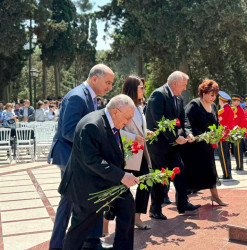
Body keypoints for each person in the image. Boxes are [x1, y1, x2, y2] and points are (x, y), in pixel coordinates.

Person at [47, 64, 114, 250]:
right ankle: (71, 244)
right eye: (107, 82)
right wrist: (94, 143)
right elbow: (68, 130)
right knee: (77, 197)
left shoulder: (89, 96)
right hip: (68, 154)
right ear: (95, 79)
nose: (109, 87)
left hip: (75, 154)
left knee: (74, 199)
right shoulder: (77, 96)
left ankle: (84, 242)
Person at [59, 95, 139, 249]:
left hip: (108, 181)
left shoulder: (111, 121)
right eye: (128, 117)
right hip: (87, 186)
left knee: (127, 205)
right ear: (115, 111)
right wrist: (122, 176)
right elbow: (92, 160)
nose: (129, 122)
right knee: (79, 230)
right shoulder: (92, 125)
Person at [145, 71, 200, 220]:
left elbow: (184, 119)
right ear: (174, 83)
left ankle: (182, 204)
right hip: (159, 146)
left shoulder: (179, 98)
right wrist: (175, 138)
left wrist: (188, 133)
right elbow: (159, 122)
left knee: (180, 172)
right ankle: (155, 209)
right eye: (183, 85)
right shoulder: (158, 95)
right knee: (161, 177)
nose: (184, 88)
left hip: (173, 146)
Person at [103, 76, 153, 233]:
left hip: (139, 151)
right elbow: (115, 129)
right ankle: (105, 224)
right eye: (141, 87)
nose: (144, 90)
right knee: (119, 188)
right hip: (124, 151)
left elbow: (138, 128)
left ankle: (137, 217)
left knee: (145, 180)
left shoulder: (139, 107)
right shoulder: (121, 104)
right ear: (133, 88)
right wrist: (133, 138)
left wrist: (146, 133)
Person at [181, 79, 228, 206]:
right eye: (211, 95)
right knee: (191, 171)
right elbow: (186, 122)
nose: (214, 98)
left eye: (215, 95)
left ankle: (215, 197)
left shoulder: (213, 106)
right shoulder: (194, 104)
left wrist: (218, 133)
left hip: (207, 146)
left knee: (211, 170)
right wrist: (198, 135)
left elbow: (216, 123)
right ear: (204, 93)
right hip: (193, 146)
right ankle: (182, 200)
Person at [217, 91, 235, 179]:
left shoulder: (222, 110)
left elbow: (220, 124)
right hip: (228, 135)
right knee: (227, 155)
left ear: (221, 100)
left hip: (222, 136)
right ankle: (228, 173)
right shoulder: (230, 109)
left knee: (223, 156)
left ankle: (226, 174)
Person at [231, 94, 246, 170]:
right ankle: (238, 165)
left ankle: (240, 166)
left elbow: (242, 123)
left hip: (238, 133)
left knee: (238, 151)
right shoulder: (234, 110)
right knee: (236, 150)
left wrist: (238, 132)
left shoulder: (240, 110)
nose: (233, 102)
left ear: (238, 101)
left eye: (234, 101)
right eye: (232, 101)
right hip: (234, 133)